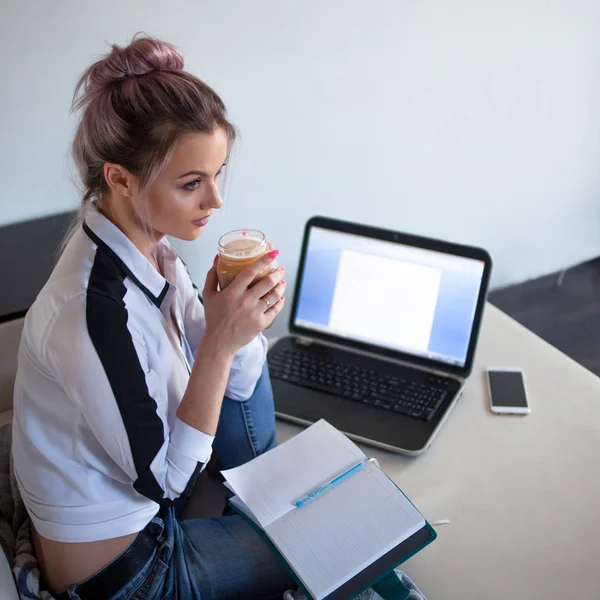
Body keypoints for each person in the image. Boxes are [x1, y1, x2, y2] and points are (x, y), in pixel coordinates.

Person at [12, 35, 295, 600]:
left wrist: (235, 329)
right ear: (119, 179)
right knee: (319, 539)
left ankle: (261, 502)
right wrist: (217, 342)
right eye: (192, 183)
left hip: (152, 501)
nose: (214, 202)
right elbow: (168, 481)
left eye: (217, 173)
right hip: (129, 570)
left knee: (246, 362)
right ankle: (265, 510)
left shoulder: (152, 248)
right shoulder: (90, 312)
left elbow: (241, 385)